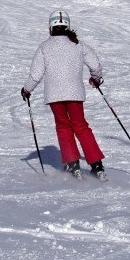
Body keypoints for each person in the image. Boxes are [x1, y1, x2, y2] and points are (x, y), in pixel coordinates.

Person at [20, 10, 107, 178]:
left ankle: (73, 163)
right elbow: (95, 66)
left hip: (55, 95)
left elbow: (36, 74)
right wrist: (96, 79)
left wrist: (27, 89)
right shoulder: (78, 44)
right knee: (81, 126)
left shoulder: (45, 47)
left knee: (63, 126)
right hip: (75, 93)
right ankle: (97, 165)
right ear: (67, 25)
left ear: (50, 27)